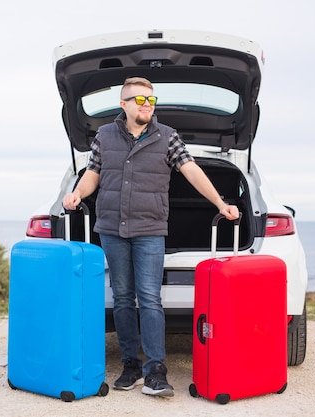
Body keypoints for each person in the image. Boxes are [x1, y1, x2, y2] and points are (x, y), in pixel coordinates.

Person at [62, 77, 239, 398]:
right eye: (140, 100)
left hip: (150, 230)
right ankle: (130, 364)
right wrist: (76, 195)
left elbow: (192, 170)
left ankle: (156, 369)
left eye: (151, 100)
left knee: (149, 298)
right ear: (124, 104)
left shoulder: (168, 136)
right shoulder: (104, 135)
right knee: (122, 298)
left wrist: (220, 203)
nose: (147, 105)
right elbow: (93, 173)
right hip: (112, 229)